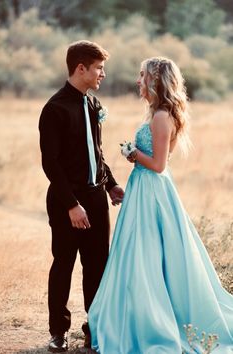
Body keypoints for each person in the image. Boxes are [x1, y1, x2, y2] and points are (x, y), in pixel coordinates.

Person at [88, 57, 233, 353]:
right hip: (143, 188)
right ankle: (136, 313)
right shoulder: (155, 113)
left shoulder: (162, 116)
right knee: (138, 252)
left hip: (152, 188)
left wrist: (131, 154)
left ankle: (154, 319)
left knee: (149, 252)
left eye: (143, 75)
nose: (138, 80)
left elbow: (157, 164)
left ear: (156, 80)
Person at [39, 40, 124, 353]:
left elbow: (95, 152)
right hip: (66, 202)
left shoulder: (93, 104)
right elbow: (51, 163)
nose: (102, 74)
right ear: (81, 68)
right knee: (63, 263)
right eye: (99, 68)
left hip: (95, 198)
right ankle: (58, 332)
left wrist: (111, 184)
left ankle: (96, 327)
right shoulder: (54, 108)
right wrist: (72, 205)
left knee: (98, 265)